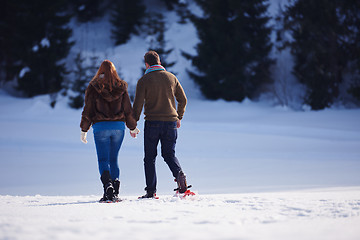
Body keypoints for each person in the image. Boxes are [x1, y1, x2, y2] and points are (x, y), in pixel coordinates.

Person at [80, 60, 140, 202]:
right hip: (119, 128)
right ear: (114, 71)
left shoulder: (93, 86)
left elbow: (88, 109)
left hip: (100, 127)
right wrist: (132, 126)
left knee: (103, 159)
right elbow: (127, 109)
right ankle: (115, 191)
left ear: (100, 71)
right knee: (113, 159)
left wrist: (84, 129)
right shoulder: (121, 86)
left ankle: (108, 187)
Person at [132, 50, 188, 198]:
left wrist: (133, 124)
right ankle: (180, 175)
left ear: (146, 64)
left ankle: (151, 191)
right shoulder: (171, 77)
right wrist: (179, 117)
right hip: (170, 123)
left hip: (152, 123)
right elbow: (183, 100)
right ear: (160, 62)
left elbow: (137, 105)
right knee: (169, 154)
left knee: (150, 157)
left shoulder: (144, 80)